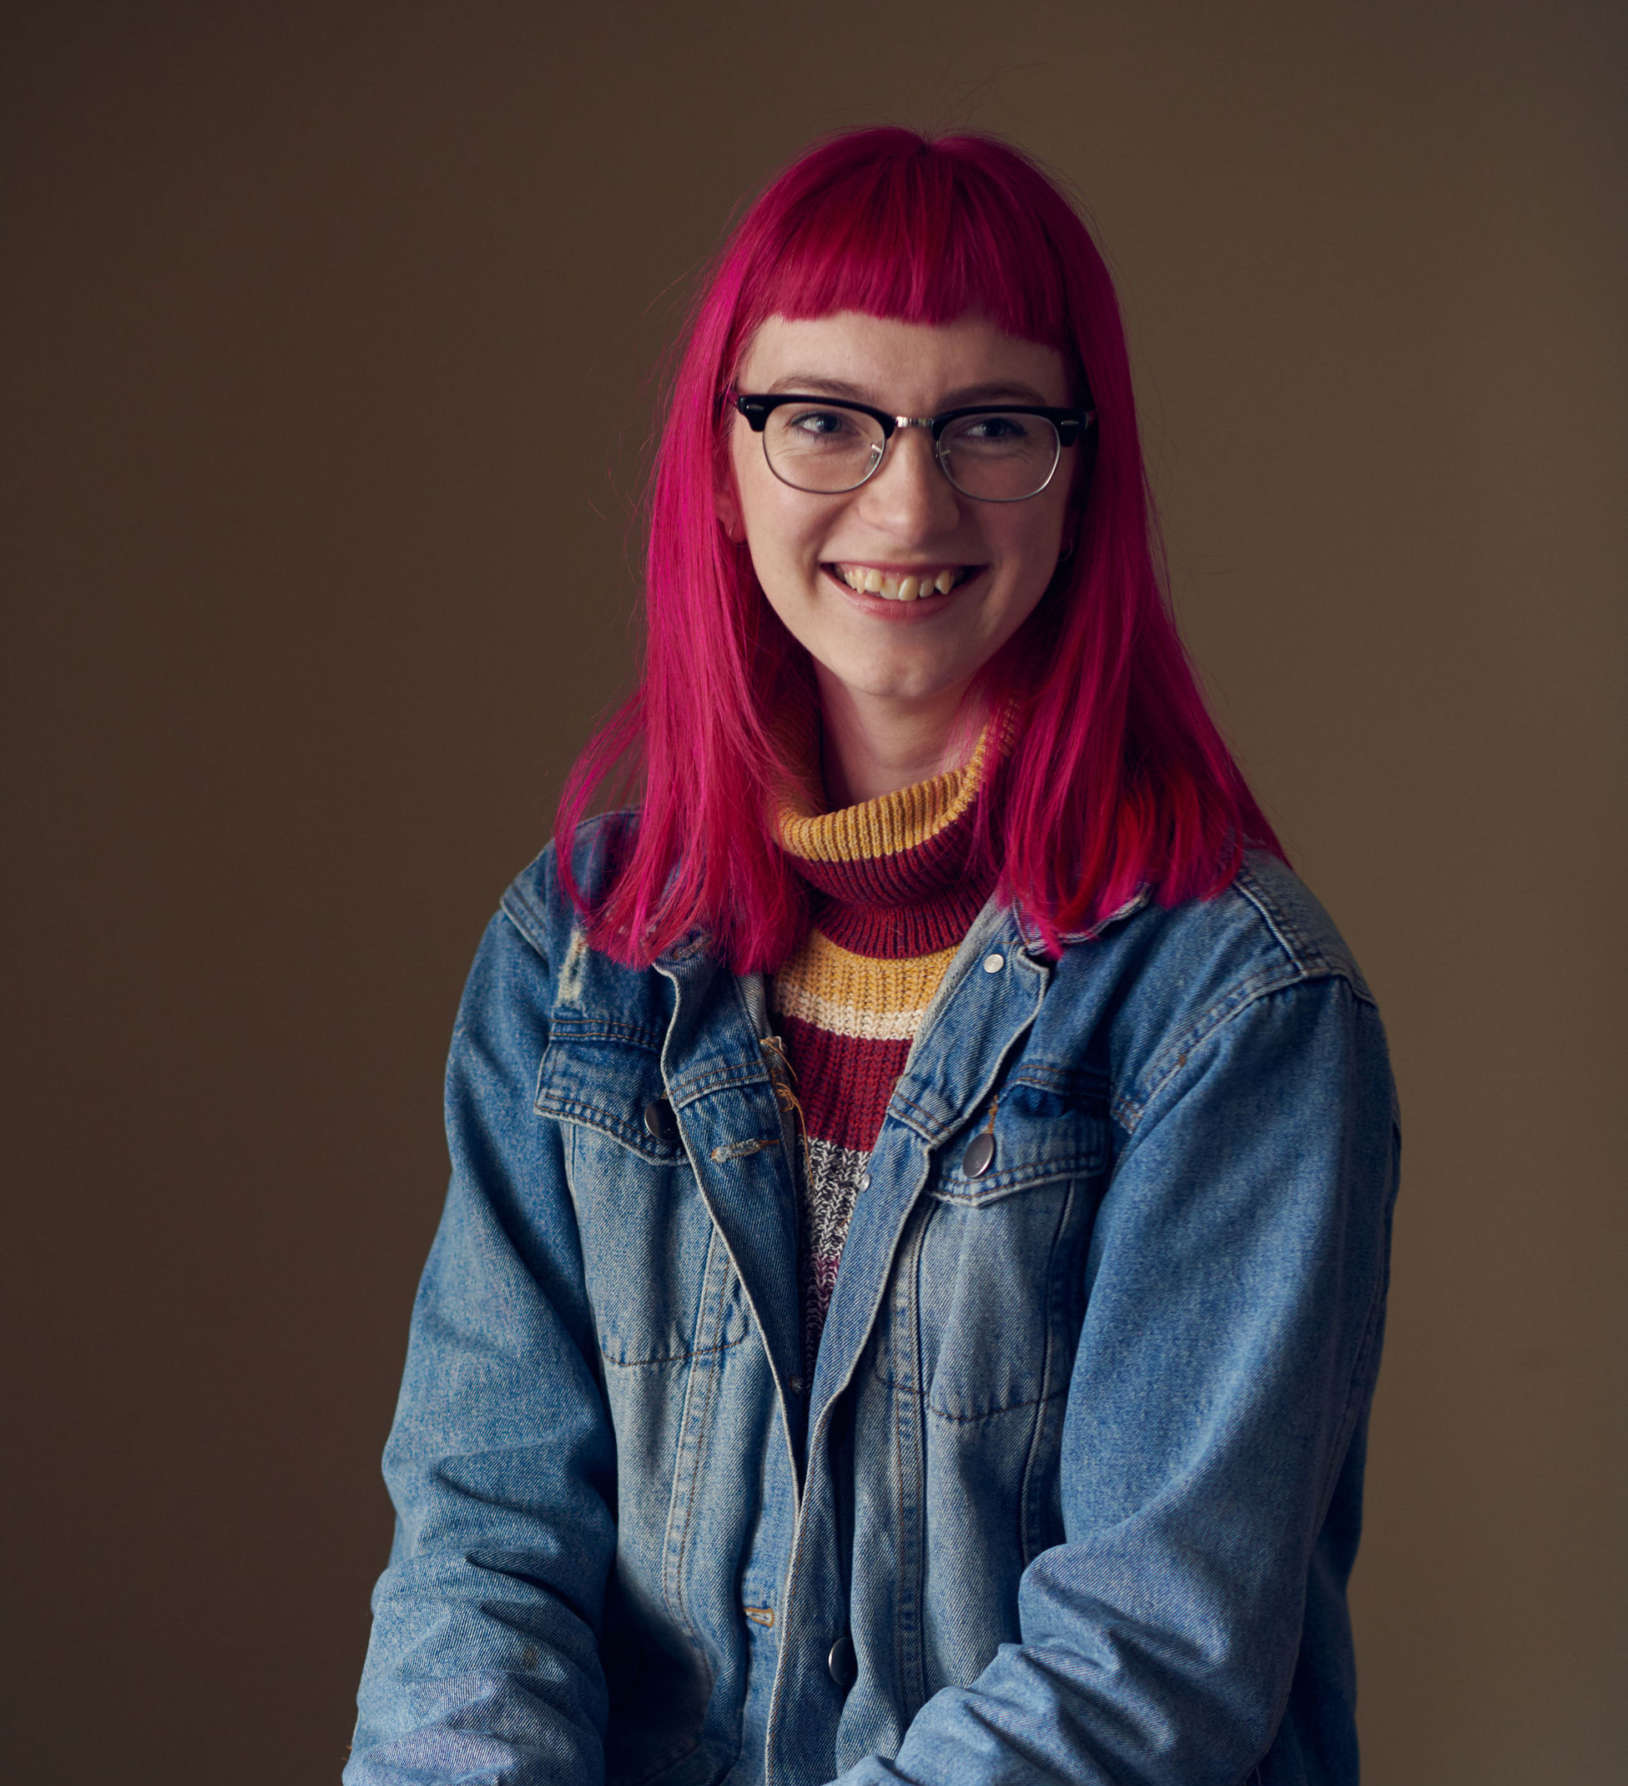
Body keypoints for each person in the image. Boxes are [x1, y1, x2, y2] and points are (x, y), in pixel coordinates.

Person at [345, 128, 1399, 1786]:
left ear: (1082, 474)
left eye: (990, 425)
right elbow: (483, 1546)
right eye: (827, 418)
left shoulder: (1238, 1011)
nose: (909, 502)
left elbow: (1147, 1663)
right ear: (721, 460)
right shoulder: (575, 952)